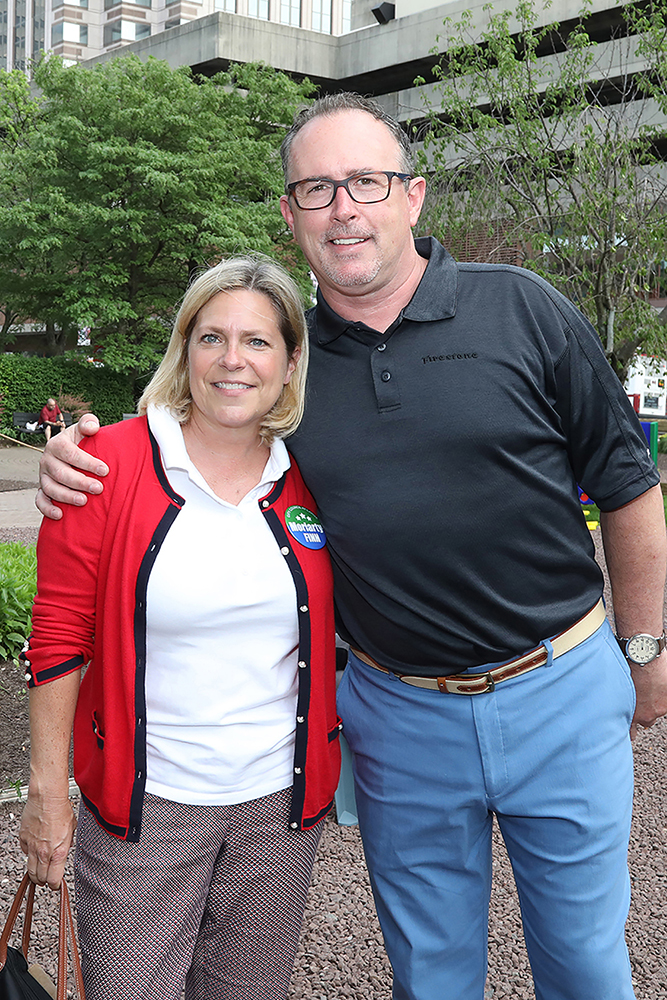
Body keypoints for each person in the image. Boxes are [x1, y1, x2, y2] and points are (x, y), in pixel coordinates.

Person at [35, 94, 667, 1000]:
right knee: (431, 970)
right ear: (290, 216)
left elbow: (628, 487)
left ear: (412, 196)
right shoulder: (288, 367)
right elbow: (190, 426)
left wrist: (643, 651)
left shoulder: (523, 308)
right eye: (317, 188)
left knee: (584, 963)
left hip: (557, 687)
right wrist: (76, 453)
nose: (344, 208)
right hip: (396, 713)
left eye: (364, 182)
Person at [20, 256, 341, 1000]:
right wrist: (47, 791)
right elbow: (60, 632)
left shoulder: (316, 474)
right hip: (147, 806)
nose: (233, 360)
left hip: (277, 811)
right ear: (183, 348)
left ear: (291, 361)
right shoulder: (102, 464)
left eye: (258, 342)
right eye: (212, 338)